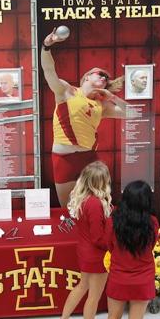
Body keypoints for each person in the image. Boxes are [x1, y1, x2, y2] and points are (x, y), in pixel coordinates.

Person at [41, 27, 128, 208]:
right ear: (87, 77)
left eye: (106, 78)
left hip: (89, 159)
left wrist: (112, 97)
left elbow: (133, 113)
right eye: (100, 74)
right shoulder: (67, 91)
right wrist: (46, 47)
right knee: (68, 210)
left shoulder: (102, 105)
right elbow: (48, 70)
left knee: (97, 207)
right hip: (63, 158)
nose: (104, 78)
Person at [54, 161, 112, 319]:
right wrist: (113, 242)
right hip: (97, 254)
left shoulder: (82, 198)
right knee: (93, 296)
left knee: (82, 286)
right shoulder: (95, 204)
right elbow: (98, 238)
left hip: (85, 251)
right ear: (100, 182)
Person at [103, 180, 157, 319]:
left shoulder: (113, 221)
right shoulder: (152, 222)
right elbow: (152, 246)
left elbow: (109, 246)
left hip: (118, 276)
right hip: (143, 278)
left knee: (113, 318)